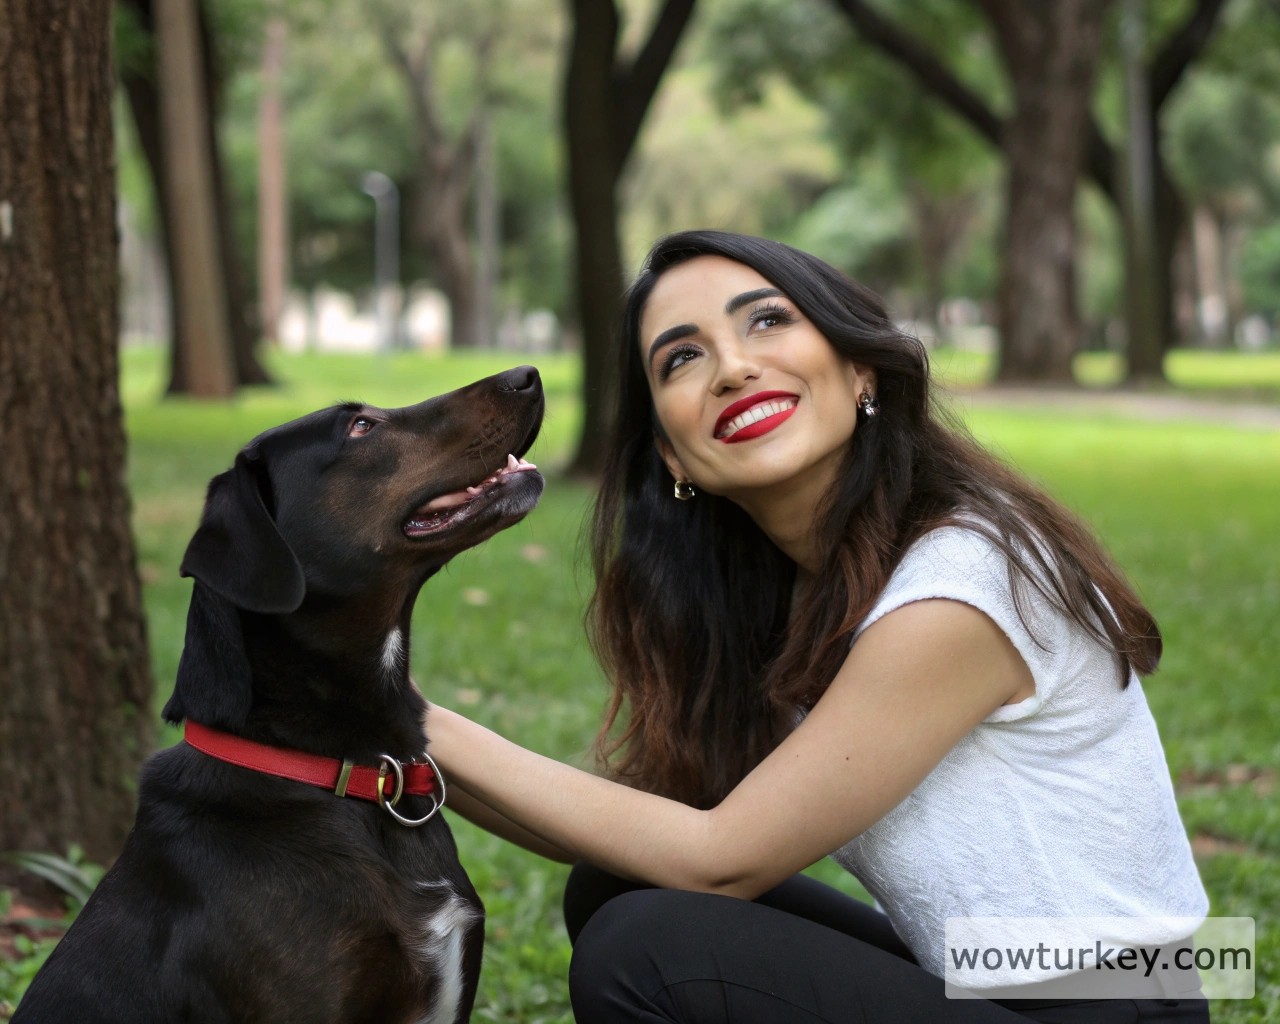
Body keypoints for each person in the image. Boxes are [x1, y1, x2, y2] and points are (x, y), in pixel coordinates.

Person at [424, 230, 1210, 1023]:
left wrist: (400, 714)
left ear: (859, 367)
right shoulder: (798, 594)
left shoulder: (962, 583)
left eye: (766, 321)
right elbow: (630, 830)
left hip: (1122, 1003)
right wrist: (374, 740)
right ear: (674, 457)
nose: (733, 368)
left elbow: (718, 860)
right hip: (986, 982)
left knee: (650, 948)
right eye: (682, 358)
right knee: (620, 881)